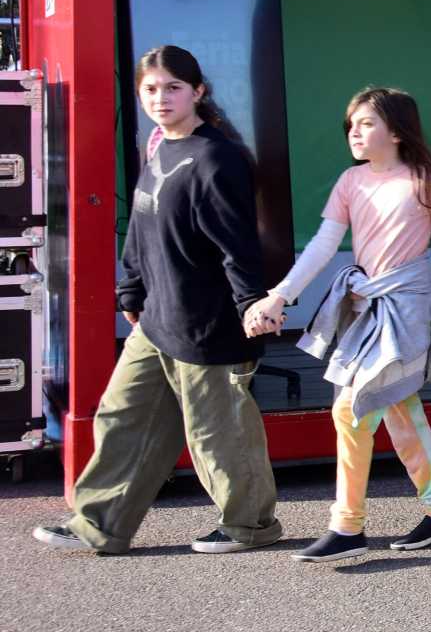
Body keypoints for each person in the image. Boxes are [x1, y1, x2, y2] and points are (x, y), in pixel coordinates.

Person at [33, 46, 282, 556]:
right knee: (123, 415)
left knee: (218, 435)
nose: (160, 98)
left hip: (209, 323)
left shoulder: (216, 157)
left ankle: (251, 525)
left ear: (198, 92)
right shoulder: (159, 148)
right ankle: (99, 524)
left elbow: (237, 245)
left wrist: (251, 306)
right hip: (156, 320)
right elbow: (142, 229)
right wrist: (131, 287)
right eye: (151, 88)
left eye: (173, 87)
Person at [246, 87, 431, 563]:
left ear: (397, 131)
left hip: (409, 310)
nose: (354, 131)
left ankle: (348, 525)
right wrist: (279, 295)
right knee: (399, 410)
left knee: (351, 410)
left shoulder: (425, 180)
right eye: (351, 124)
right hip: (366, 312)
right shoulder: (350, 182)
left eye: (366, 123)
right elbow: (321, 246)